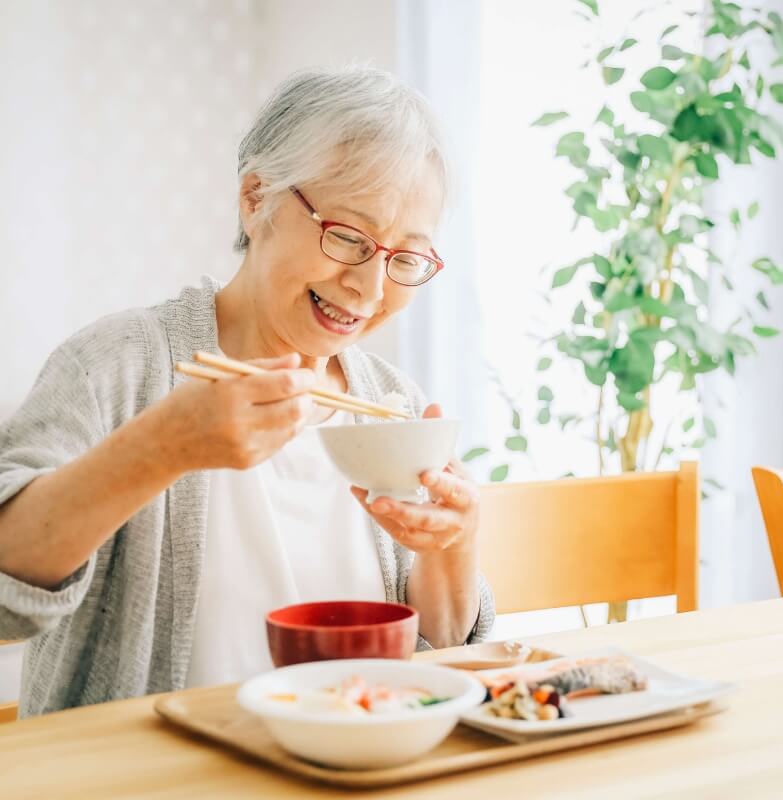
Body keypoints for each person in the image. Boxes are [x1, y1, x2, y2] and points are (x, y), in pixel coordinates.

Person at [0, 66, 494, 717]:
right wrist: (161, 449)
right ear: (255, 196)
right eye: (347, 236)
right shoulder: (115, 367)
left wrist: (453, 548)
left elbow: (437, 656)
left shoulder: (392, 406)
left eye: (404, 258)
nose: (370, 290)